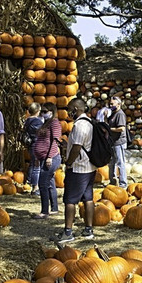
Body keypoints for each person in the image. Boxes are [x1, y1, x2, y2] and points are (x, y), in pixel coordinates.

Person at [57, 98, 96, 243]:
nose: (68, 112)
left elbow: (77, 147)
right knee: (88, 199)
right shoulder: (89, 123)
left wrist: (68, 163)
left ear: (76, 109)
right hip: (89, 167)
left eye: (69, 109)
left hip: (78, 168)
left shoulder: (80, 125)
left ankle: (68, 232)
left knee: (70, 200)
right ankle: (88, 229)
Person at [32, 103, 62, 219]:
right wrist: (37, 157)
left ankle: (45, 211)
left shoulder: (55, 123)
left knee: (43, 184)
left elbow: (55, 141)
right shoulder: (46, 123)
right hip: (43, 158)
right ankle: (54, 208)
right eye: (42, 111)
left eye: (45, 111)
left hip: (51, 158)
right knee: (50, 183)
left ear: (52, 111)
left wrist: (49, 156)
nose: (43, 113)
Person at [106, 96, 129, 187]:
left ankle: (123, 184)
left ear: (118, 104)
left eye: (112, 104)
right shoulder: (112, 113)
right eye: (110, 103)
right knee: (112, 163)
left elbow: (122, 128)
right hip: (112, 142)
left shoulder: (120, 114)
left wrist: (110, 129)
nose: (110, 105)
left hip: (119, 142)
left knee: (120, 163)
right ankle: (113, 181)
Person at [22, 103, 44, 195]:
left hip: (31, 145)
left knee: (32, 163)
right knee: (37, 166)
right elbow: (40, 133)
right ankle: (35, 188)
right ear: (37, 111)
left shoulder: (27, 120)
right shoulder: (37, 122)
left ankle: (29, 181)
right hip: (37, 144)